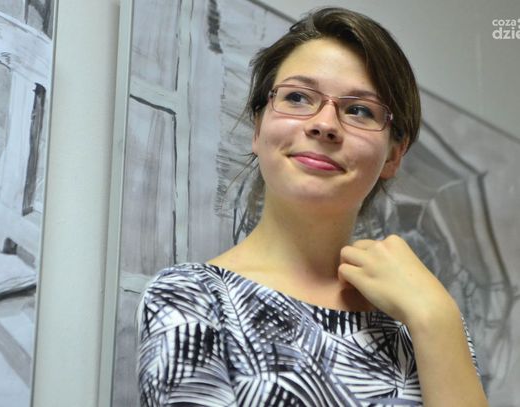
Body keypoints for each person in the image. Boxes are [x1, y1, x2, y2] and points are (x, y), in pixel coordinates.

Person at [137, 7, 488, 406]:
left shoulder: (423, 315)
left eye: (359, 110)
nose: (325, 124)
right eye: (298, 97)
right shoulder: (191, 297)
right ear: (258, 128)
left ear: (394, 155)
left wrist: (436, 318)